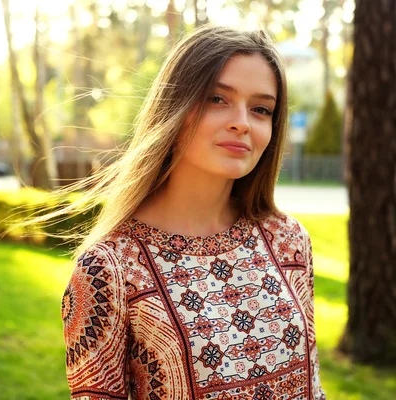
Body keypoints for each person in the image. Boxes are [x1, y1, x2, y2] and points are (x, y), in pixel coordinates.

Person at [60, 25, 326, 399]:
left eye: (261, 109)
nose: (242, 122)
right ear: (175, 106)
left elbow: (312, 387)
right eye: (218, 99)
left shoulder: (288, 240)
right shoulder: (110, 270)